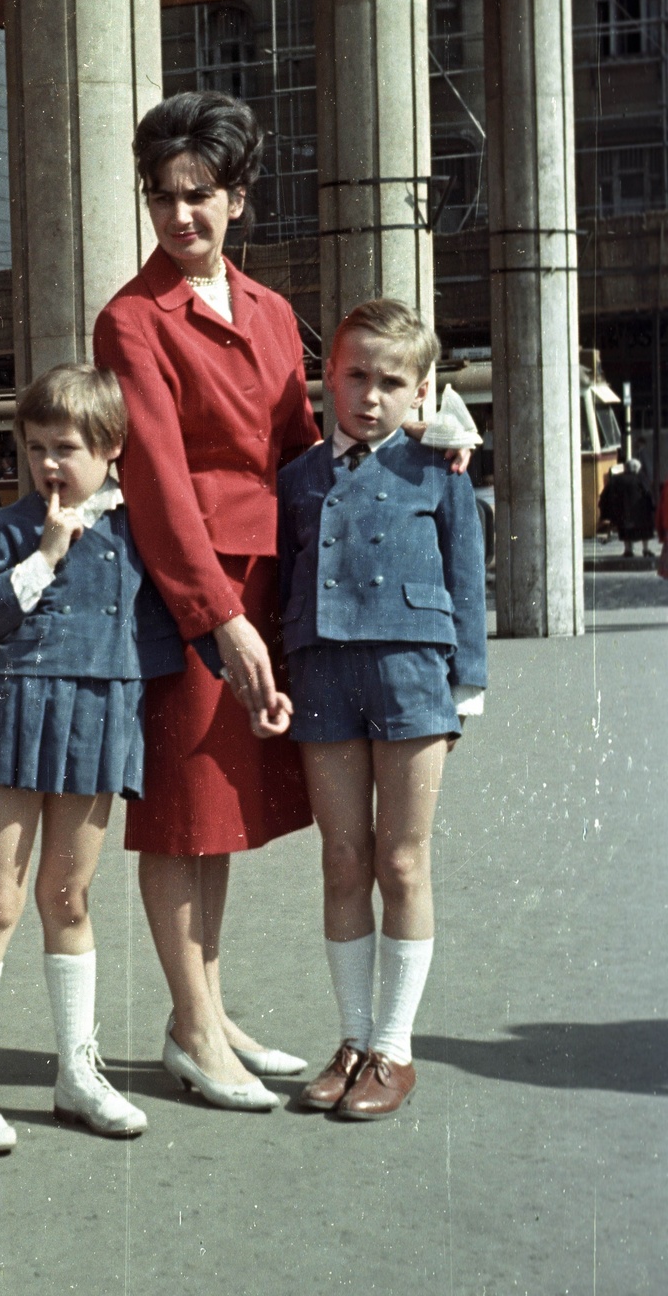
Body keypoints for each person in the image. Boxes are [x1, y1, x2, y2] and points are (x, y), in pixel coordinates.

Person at [93, 91, 322, 1112]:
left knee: (220, 812)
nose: (177, 217)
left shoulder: (273, 313)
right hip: (185, 593)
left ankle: (210, 1004)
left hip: (262, 582)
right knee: (181, 810)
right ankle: (189, 1027)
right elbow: (155, 476)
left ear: (236, 198)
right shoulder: (130, 319)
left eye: (197, 196)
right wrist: (215, 615)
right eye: (159, 197)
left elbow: (299, 449)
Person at [0, 363, 184, 1154]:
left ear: (111, 448)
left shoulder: (133, 531)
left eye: (66, 447)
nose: (48, 464)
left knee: (69, 898)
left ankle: (77, 1072)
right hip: (14, 719)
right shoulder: (7, 529)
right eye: (35, 446)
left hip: (97, 721)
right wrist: (42, 556)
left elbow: (171, 626)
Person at [279, 300, 487, 1118]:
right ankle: (354, 1037)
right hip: (323, 672)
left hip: (411, 676)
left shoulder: (440, 470)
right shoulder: (298, 477)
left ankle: (395, 1049)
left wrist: (465, 684)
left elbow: (466, 578)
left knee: (402, 863)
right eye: (355, 376)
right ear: (327, 377)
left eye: (390, 382)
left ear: (421, 392)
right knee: (341, 859)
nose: (369, 396)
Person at [598, 459, 656, 557]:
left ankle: (628, 550)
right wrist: (652, 507)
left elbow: (605, 495)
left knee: (626, 530)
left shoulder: (616, 479)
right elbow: (648, 494)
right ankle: (645, 549)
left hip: (623, 512)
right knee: (644, 530)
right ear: (636, 469)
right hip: (640, 512)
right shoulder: (641, 479)